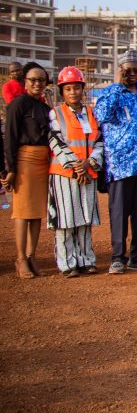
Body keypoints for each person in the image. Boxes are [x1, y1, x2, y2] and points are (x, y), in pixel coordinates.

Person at [95, 50, 137, 274]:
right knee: (120, 214)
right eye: (127, 70)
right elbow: (101, 115)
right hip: (119, 165)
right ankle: (117, 258)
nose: (132, 74)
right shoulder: (109, 93)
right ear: (119, 71)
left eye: (135, 70)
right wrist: (116, 85)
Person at [44, 67, 105, 277]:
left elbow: (99, 141)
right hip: (64, 174)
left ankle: (87, 259)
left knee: (85, 219)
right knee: (66, 220)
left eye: (77, 88)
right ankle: (67, 263)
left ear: (82, 89)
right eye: (68, 88)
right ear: (62, 91)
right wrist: (77, 167)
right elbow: (56, 142)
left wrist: (89, 163)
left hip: (87, 174)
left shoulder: (91, 113)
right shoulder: (56, 113)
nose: (73, 92)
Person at [3, 62, 52, 279]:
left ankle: (32, 256)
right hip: (24, 161)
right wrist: (10, 169)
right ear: (25, 81)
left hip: (43, 163)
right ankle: (20, 258)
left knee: (37, 213)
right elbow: (10, 138)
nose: (38, 84)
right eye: (33, 80)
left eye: (42, 80)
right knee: (22, 212)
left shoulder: (44, 107)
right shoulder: (18, 104)